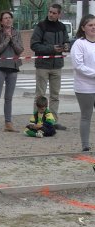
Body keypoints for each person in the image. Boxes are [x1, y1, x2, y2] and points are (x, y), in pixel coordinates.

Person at [30, 3, 70, 131]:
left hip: (57, 65)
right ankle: (37, 121)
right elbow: (34, 45)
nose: (51, 14)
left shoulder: (62, 27)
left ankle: (52, 121)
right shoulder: (41, 26)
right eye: (50, 12)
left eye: (54, 13)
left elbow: (67, 40)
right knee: (40, 95)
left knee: (55, 95)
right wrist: (51, 49)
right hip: (43, 65)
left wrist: (66, 46)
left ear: (59, 14)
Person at [0, 10, 24, 133]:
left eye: (9, 18)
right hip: (0, 67)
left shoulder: (17, 33)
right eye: (5, 18)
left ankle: (8, 123)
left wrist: (12, 39)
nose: (8, 20)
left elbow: (20, 50)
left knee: (9, 97)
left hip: (13, 67)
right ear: (1, 21)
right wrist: (7, 39)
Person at [70, 14, 95, 151]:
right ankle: (85, 145)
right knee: (86, 116)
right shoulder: (79, 44)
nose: (93, 27)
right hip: (85, 87)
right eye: (90, 25)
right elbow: (78, 66)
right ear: (83, 28)